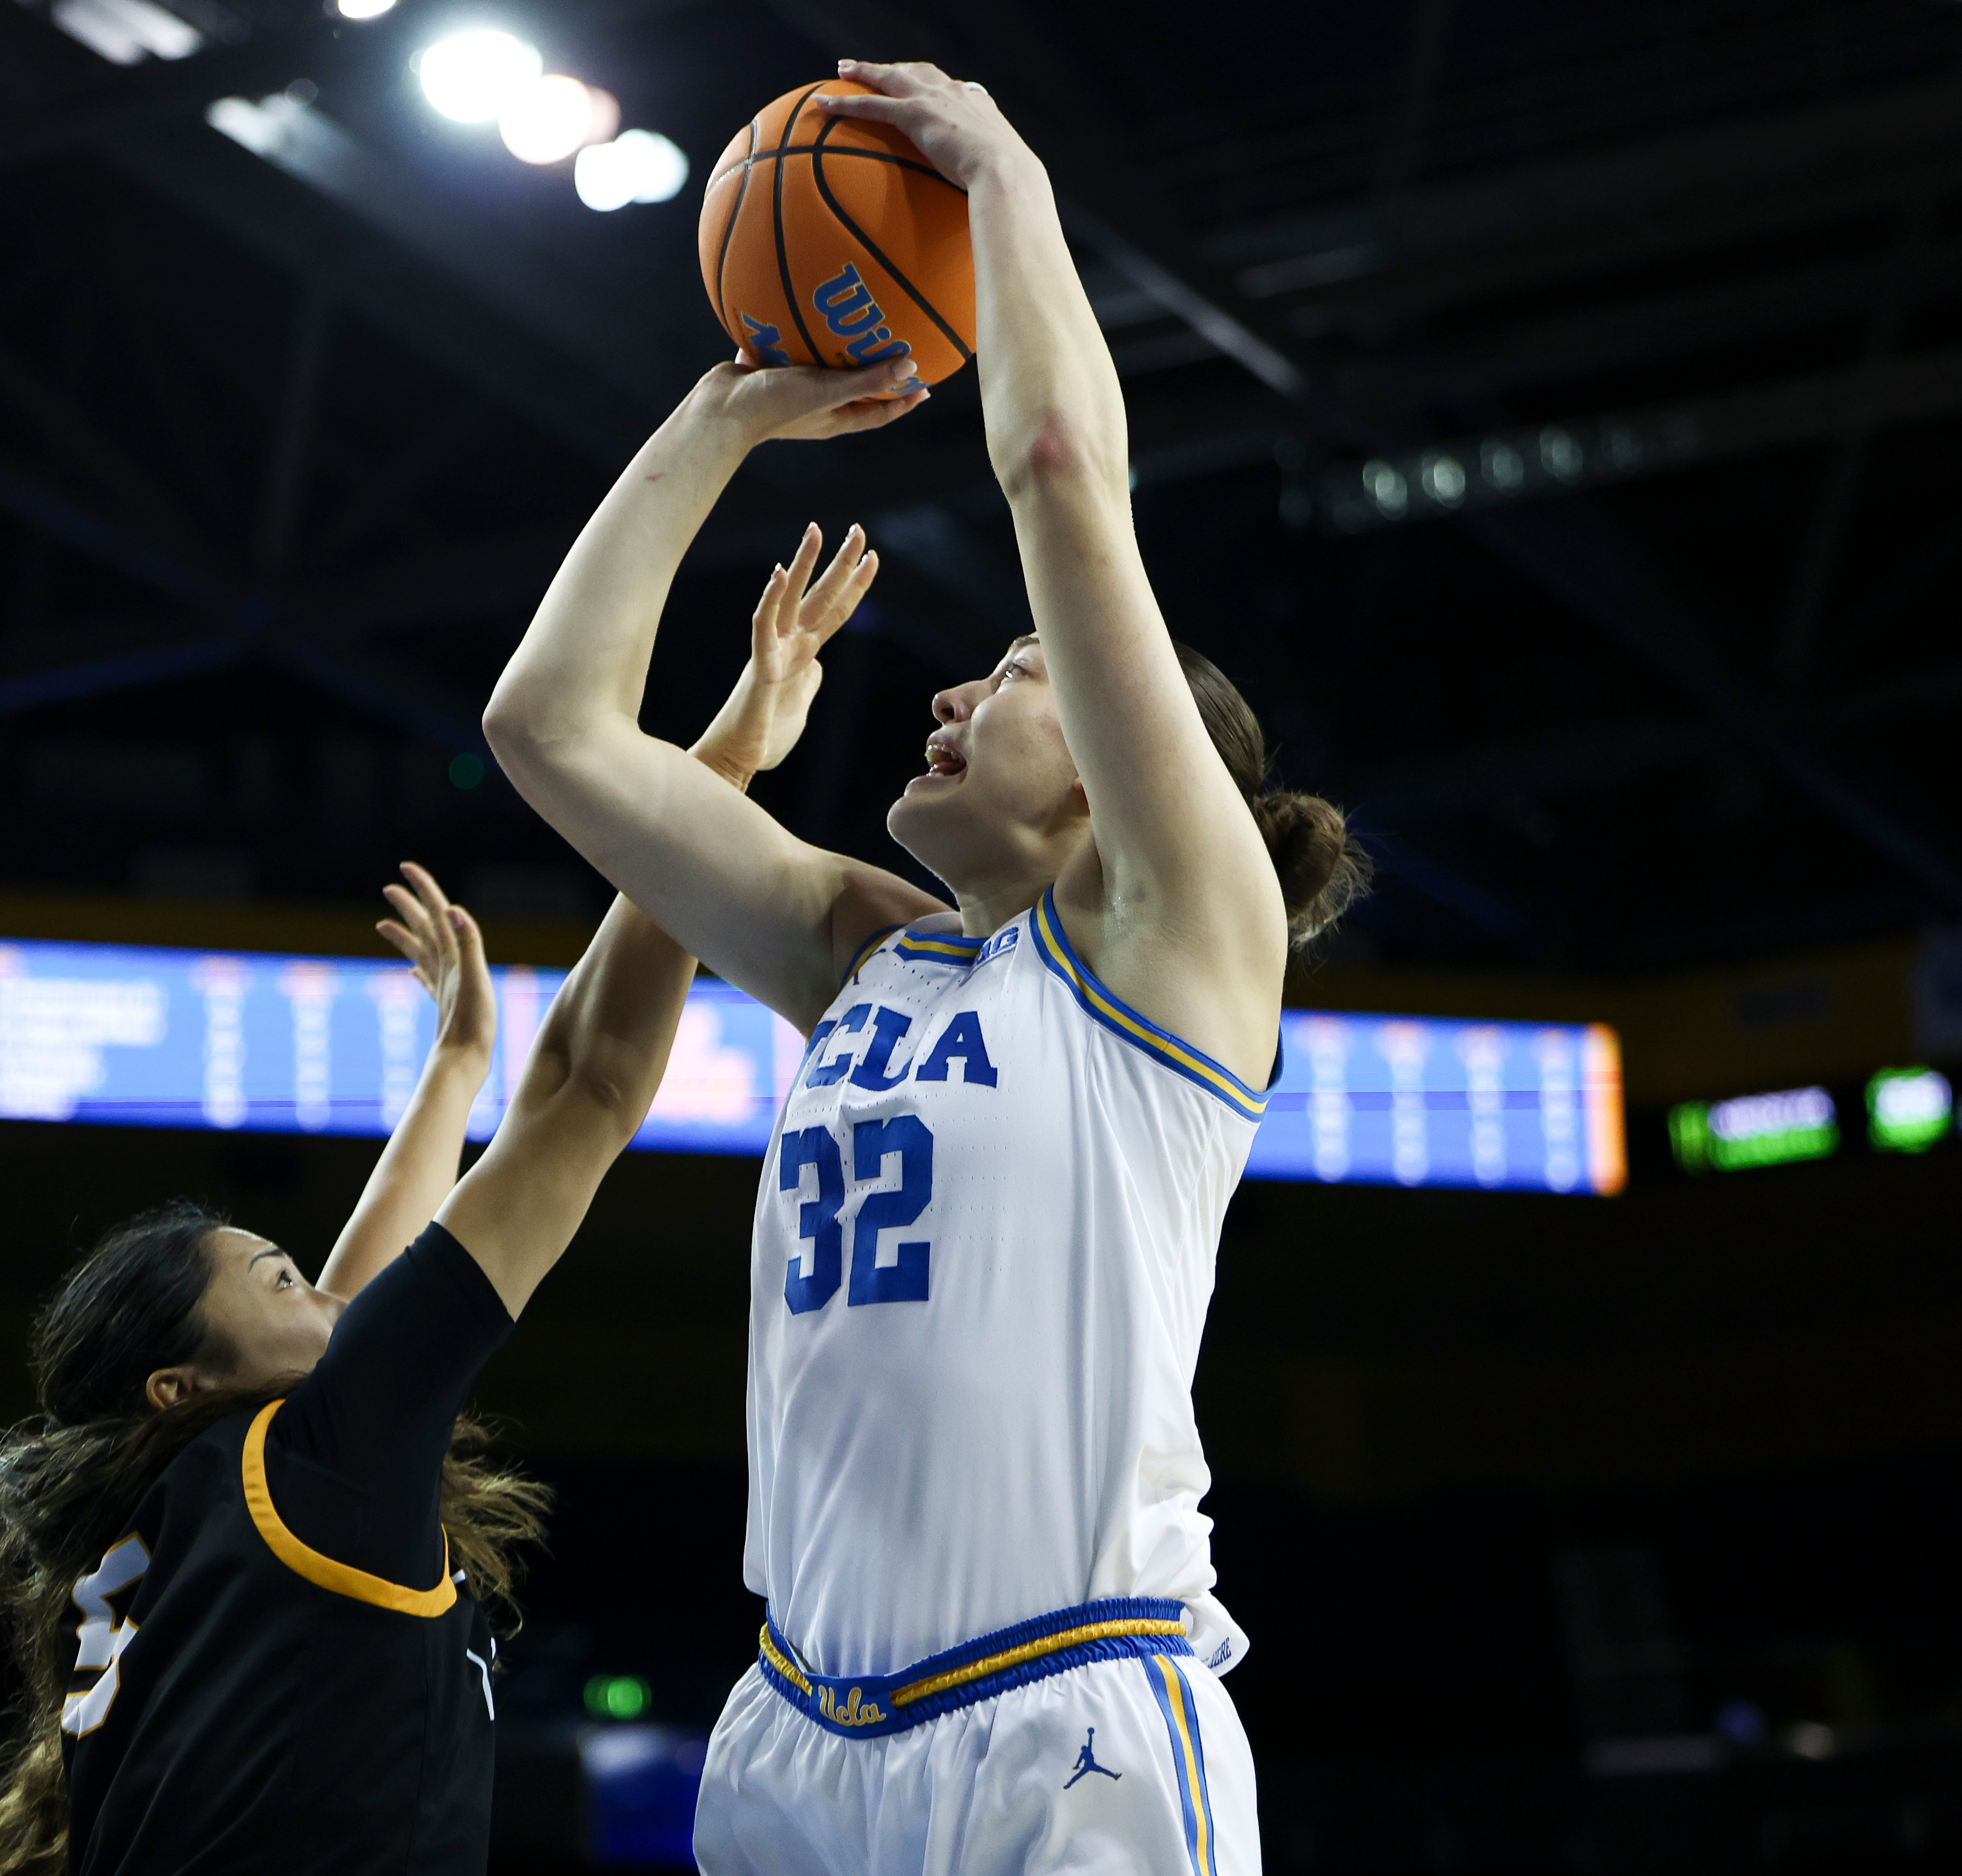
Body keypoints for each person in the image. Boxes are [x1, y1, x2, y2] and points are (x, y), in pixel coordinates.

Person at [482, 57, 1370, 1875]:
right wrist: (721, 419)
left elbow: (1057, 465)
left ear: (1131, 783)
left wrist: (1003, 175)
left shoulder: (1179, 953)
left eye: (1018, 671)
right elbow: (550, 725)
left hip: (1071, 1724)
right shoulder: (868, 959)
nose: (954, 689)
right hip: (798, 1736)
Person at [0, 599, 861, 1876]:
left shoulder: (206, 1503)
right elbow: (590, 1088)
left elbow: (354, 1292)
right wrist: (719, 772)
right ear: (182, 1383)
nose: (320, 1285)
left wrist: (457, 1067)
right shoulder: (302, 1462)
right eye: (277, 1276)